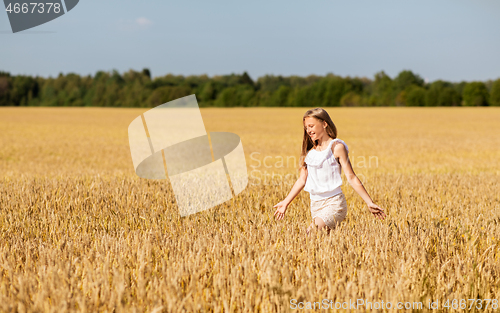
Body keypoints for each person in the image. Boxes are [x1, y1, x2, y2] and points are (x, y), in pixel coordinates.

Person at [273, 107, 386, 236]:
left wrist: (369, 202)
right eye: (306, 127)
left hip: (334, 203)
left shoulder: (337, 147)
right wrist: (285, 202)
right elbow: (301, 180)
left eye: (311, 126)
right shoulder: (310, 153)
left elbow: (352, 177)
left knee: (310, 234)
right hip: (315, 205)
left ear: (324, 124)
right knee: (322, 243)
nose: (308, 130)